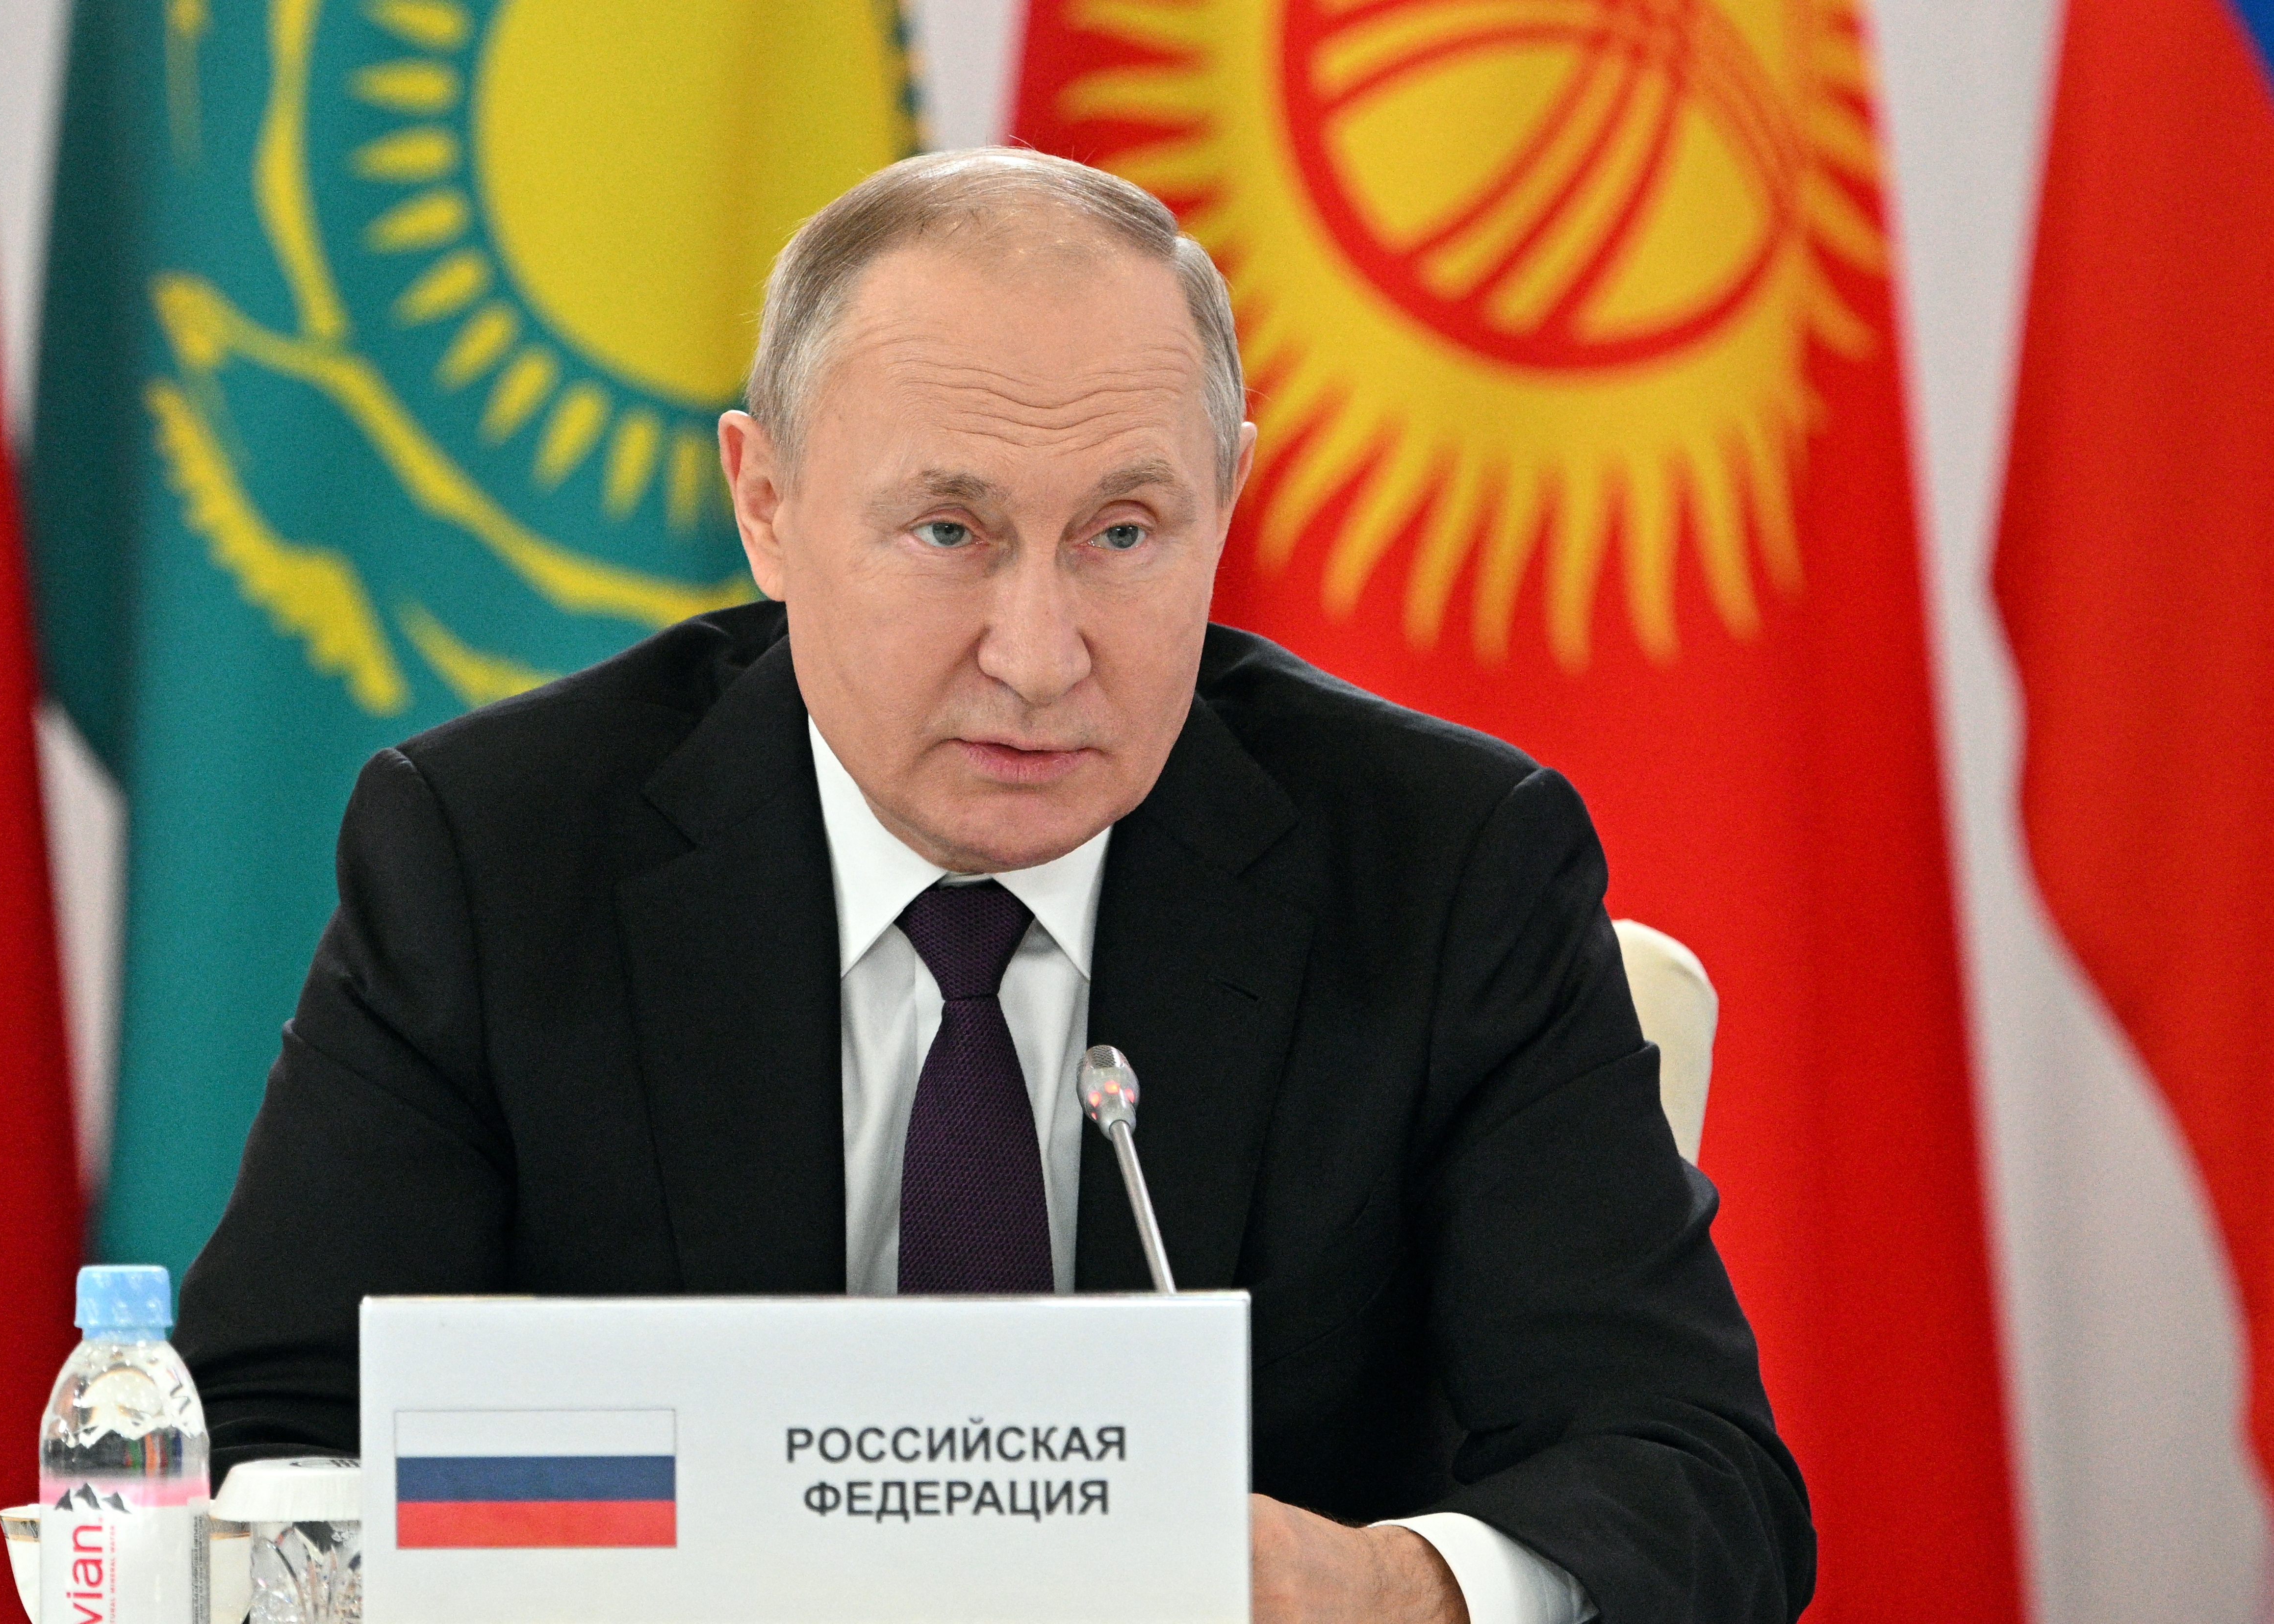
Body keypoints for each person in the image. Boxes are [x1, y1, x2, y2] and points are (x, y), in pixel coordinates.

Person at [174, 149, 1811, 1624]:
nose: (1039, 662)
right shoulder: (496, 854)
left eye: (1123, 532)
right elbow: (273, 1442)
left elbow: (1696, 1480)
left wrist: (1386, 1589)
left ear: (1227, 497)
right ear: (766, 503)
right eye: (950, 531)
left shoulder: (1448, 863)